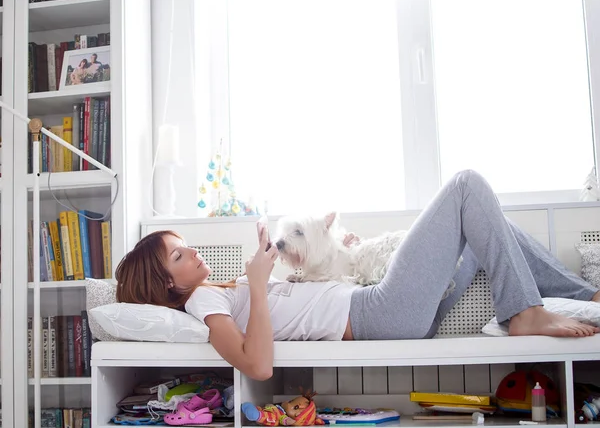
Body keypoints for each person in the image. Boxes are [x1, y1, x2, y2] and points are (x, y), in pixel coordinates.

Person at [116, 170, 600, 380]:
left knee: (490, 225)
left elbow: (286, 303)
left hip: (386, 309)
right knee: (465, 186)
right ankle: (525, 314)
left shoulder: (218, 292)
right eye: (179, 256)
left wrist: (271, 271)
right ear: (166, 285)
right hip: (378, 314)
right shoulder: (203, 303)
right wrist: (260, 287)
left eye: (185, 245)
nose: (193, 252)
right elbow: (257, 365)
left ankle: (586, 296)